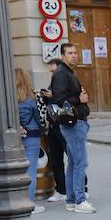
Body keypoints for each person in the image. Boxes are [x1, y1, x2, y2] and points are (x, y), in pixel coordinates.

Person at [49, 42, 94, 213]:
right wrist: (79, 99)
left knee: (74, 163)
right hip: (73, 123)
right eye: (70, 53)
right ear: (62, 56)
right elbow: (59, 99)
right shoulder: (62, 74)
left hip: (73, 122)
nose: (74, 55)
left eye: (75, 52)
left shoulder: (67, 72)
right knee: (80, 162)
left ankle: (71, 199)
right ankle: (79, 200)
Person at [14, 69, 44, 213]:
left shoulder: (10, 98)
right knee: (30, 171)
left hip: (15, 137)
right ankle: (30, 203)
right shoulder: (31, 97)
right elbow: (39, 117)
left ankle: (19, 202)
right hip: (32, 135)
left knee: (18, 172)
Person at [41, 58, 68, 202]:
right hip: (53, 126)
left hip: (65, 125)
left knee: (74, 158)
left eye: (52, 67)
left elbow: (68, 100)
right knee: (56, 160)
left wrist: (54, 95)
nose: (51, 71)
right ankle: (61, 190)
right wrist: (45, 97)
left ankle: (82, 188)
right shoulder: (52, 83)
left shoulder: (65, 81)